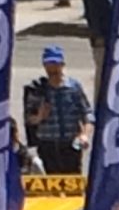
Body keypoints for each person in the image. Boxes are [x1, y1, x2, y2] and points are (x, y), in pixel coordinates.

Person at [24, 46, 91, 176]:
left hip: (70, 144)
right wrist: (39, 116)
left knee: (72, 181)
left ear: (62, 65)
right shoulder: (38, 90)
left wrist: (85, 135)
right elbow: (29, 118)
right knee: (51, 182)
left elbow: (87, 113)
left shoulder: (73, 88)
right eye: (48, 64)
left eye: (55, 64)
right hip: (47, 145)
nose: (52, 69)